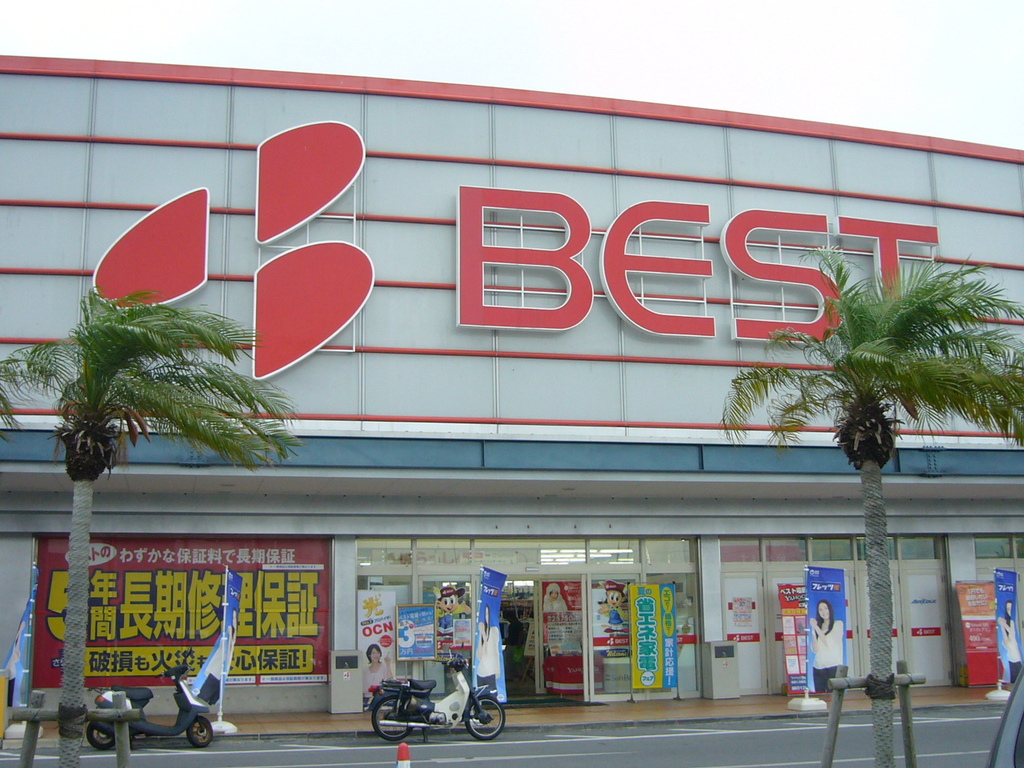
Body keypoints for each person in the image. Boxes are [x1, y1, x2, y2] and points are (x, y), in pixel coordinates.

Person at [810, 598, 844, 693]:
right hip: (818, 667)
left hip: (833, 666)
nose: (824, 612)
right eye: (820, 609)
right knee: (819, 696)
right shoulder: (818, 627)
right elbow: (815, 649)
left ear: (830, 609)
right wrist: (814, 630)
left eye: (825, 608)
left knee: (833, 695)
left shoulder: (838, 624)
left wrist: (815, 627)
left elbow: (828, 642)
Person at [476, 604, 503, 693]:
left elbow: (489, 649)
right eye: (485, 614)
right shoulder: (481, 632)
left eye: (488, 614)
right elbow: (480, 655)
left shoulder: (494, 630)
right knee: (480, 694)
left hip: (491, 670)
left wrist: (483, 634)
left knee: (492, 694)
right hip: (481, 671)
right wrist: (482, 634)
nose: (486, 617)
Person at [998, 599, 1023, 684]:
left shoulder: (1013, 623)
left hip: (1017, 659)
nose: (1009, 611)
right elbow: (1006, 642)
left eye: (1011, 609)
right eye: (1008, 609)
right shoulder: (1006, 623)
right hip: (1010, 660)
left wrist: (1003, 625)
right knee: (1013, 682)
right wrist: (1002, 626)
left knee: (1018, 682)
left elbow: (1012, 634)